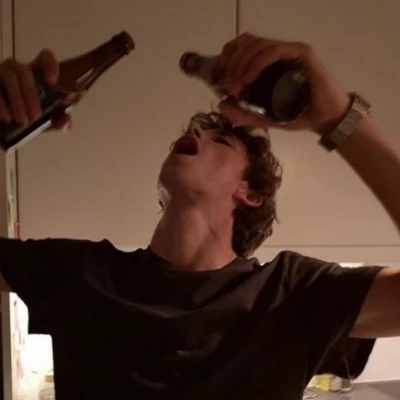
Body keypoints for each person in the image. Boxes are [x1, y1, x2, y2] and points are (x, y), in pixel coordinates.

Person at [0, 33, 399, 400]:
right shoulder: (78, 272)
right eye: (194, 131)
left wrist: (336, 116)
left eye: (220, 140)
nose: (193, 132)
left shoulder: (291, 294)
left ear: (251, 194)